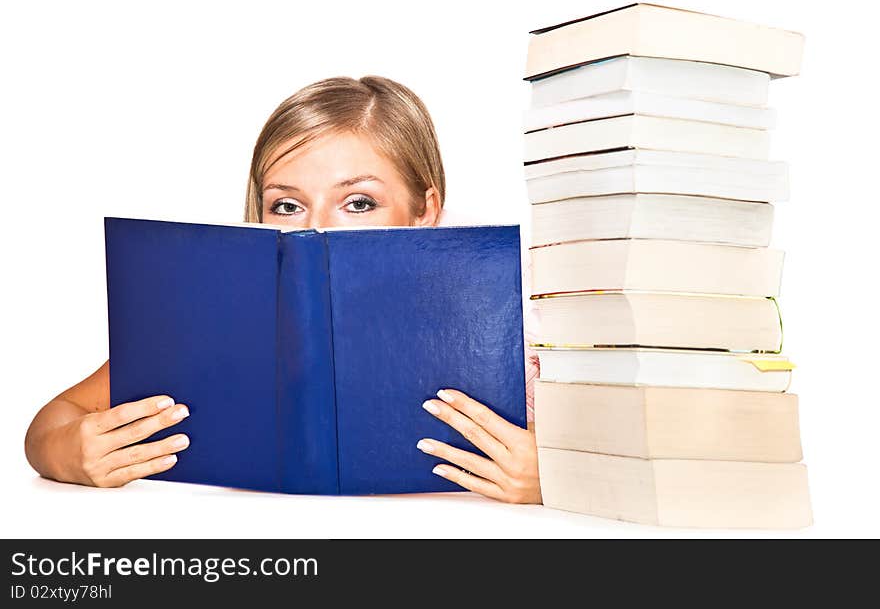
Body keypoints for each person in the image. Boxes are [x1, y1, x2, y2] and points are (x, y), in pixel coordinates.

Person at [24, 76, 542, 504]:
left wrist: (559, 479)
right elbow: (53, 421)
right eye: (287, 204)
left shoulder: (511, 318)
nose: (318, 227)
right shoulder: (228, 317)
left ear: (426, 210)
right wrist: (69, 451)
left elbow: (621, 458)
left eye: (358, 202)